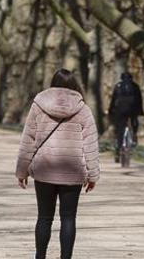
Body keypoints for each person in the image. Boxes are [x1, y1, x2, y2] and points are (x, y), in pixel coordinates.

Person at [16, 68, 100, 259]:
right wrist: (93, 175)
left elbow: (28, 139)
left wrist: (21, 171)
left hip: (44, 170)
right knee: (69, 218)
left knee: (44, 218)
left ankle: (40, 256)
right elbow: (91, 143)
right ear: (74, 85)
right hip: (73, 172)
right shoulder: (83, 109)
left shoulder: (38, 106)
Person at [108, 72, 144, 160]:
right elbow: (139, 100)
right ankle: (134, 135)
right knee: (134, 121)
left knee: (120, 129)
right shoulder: (135, 86)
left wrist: (110, 110)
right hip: (133, 110)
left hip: (120, 111)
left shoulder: (118, 86)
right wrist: (141, 111)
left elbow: (113, 100)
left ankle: (118, 147)